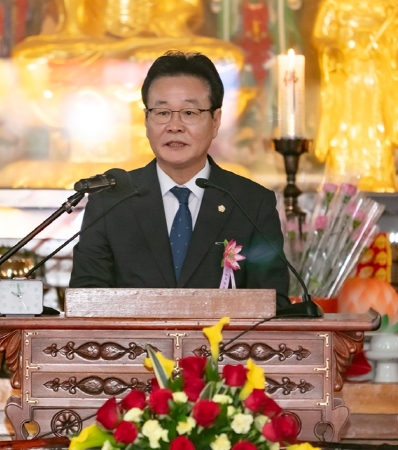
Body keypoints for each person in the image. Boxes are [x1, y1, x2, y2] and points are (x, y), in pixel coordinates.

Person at [69, 51, 290, 312]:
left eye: (189, 112)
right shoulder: (110, 201)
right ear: (146, 120)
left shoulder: (251, 203)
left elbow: (272, 304)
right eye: (162, 112)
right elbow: (86, 302)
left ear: (215, 121)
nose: (174, 126)